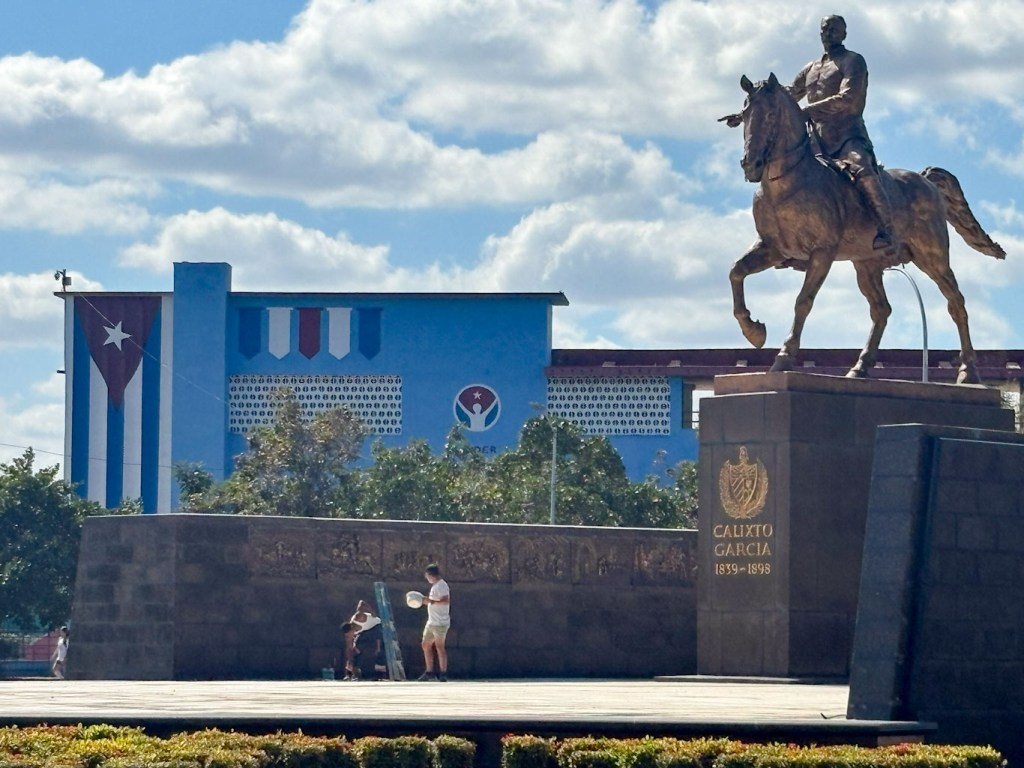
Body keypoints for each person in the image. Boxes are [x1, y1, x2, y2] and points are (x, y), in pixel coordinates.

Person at [789, 14, 895, 251]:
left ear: (844, 34)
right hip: (815, 142)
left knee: (863, 169)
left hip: (847, 136)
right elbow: (789, 94)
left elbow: (848, 98)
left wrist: (808, 110)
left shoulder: (853, 61)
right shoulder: (810, 68)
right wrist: (753, 105)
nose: (830, 33)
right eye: (826, 29)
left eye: (835, 30)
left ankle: (887, 229)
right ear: (820, 33)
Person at [417, 563, 450, 682]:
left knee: (439, 647)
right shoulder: (435, 586)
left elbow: (446, 601)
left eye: (427, 576)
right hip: (431, 621)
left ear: (431, 575)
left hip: (440, 622)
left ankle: (443, 673)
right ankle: (429, 671)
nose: (427, 579)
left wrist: (430, 602)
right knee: (425, 644)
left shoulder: (442, 585)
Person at [348, 600, 386, 680]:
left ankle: (381, 672)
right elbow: (350, 646)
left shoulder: (358, 617)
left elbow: (362, 602)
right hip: (365, 630)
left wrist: (371, 611)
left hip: (375, 626)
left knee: (379, 650)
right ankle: (355, 672)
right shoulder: (353, 633)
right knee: (356, 650)